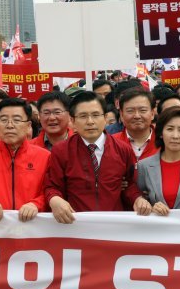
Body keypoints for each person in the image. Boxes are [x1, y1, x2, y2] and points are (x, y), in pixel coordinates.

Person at [44, 92, 152, 223]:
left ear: (105, 118)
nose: (90, 122)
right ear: (72, 121)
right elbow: (52, 186)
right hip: (75, 223)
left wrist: (137, 198)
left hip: (113, 224)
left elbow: (129, 184)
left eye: (95, 115)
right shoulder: (61, 151)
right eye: (83, 116)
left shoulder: (123, 149)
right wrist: (54, 199)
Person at [0, 98, 51, 222]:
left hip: (31, 225)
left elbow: (48, 191)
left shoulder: (44, 156)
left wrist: (35, 204)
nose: (9, 125)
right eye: (3, 120)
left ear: (28, 126)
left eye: (17, 120)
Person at [113, 87, 159, 162]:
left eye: (142, 110)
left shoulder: (164, 142)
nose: (137, 116)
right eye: (130, 111)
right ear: (121, 115)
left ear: (152, 113)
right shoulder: (110, 143)